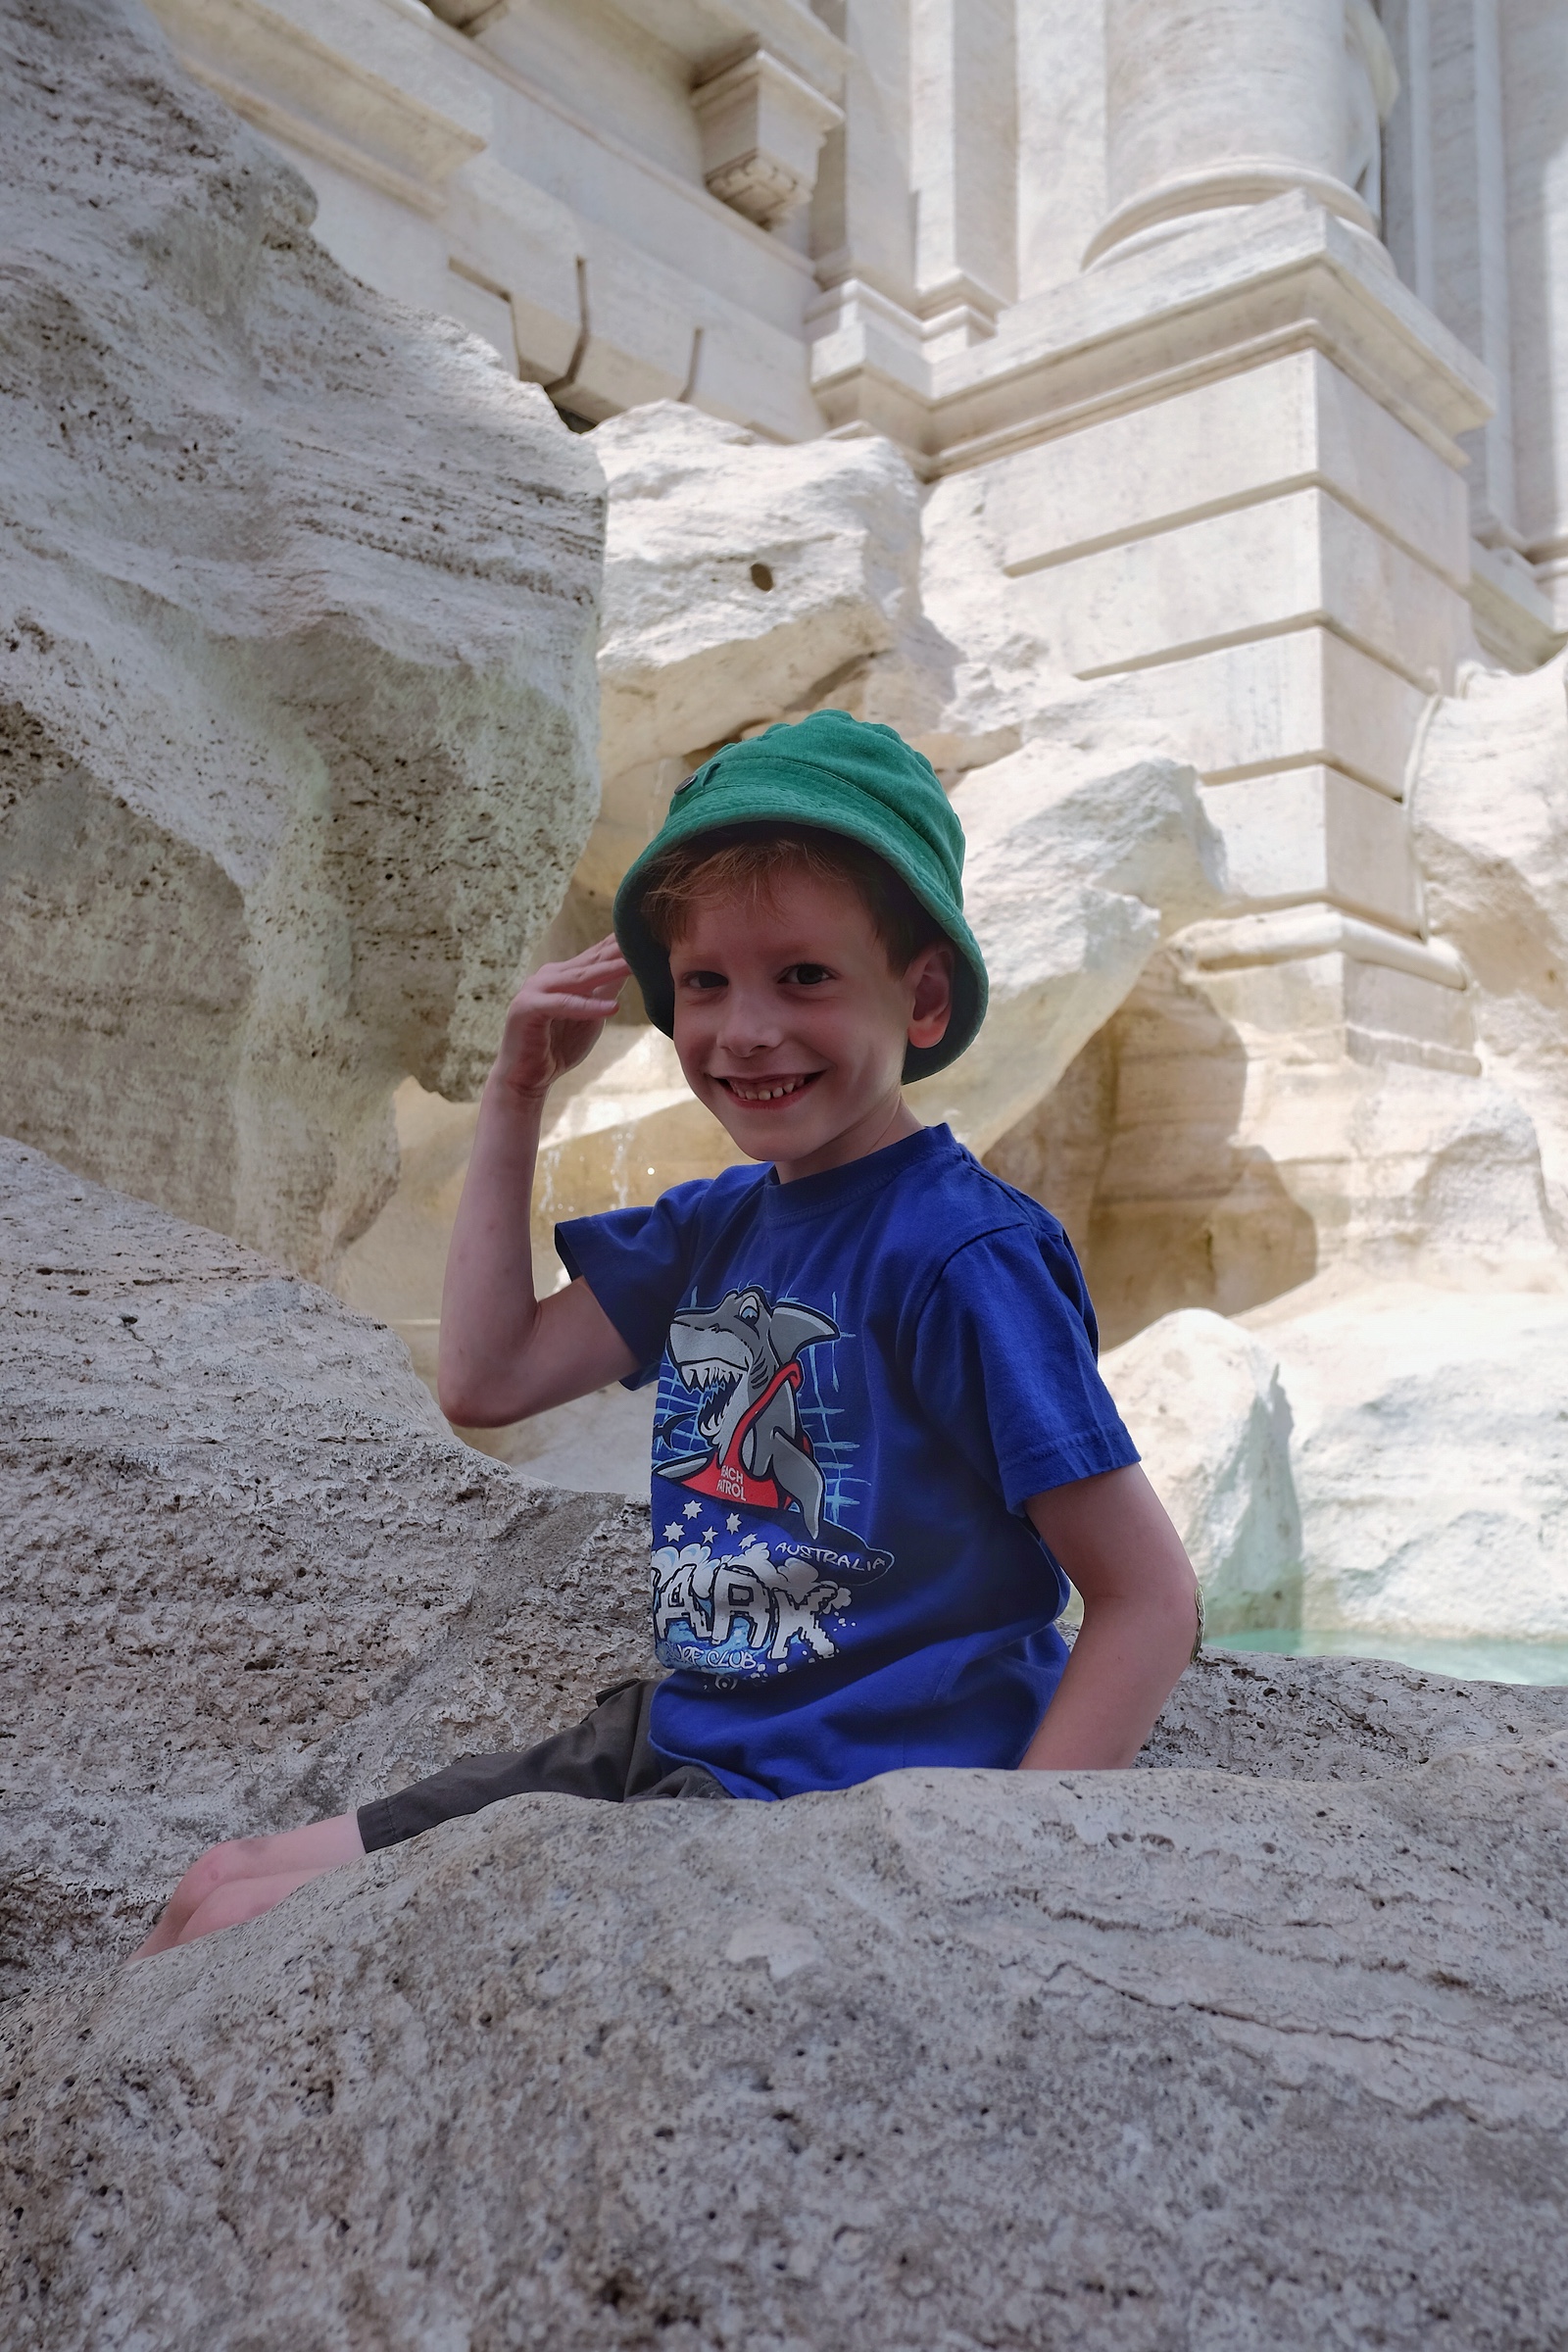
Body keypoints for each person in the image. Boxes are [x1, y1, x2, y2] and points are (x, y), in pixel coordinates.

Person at [136, 710, 1200, 1956]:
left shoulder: (962, 1255)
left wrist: (997, 1876)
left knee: (270, 1925)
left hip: (827, 1789)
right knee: (226, 1880)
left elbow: (1147, 1598)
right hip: (679, 1734)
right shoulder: (713, 1229)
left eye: (802, 975)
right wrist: (516, 1089)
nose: (743, 1029)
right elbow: (489, 1378)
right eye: (705, 983)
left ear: (919, 996)